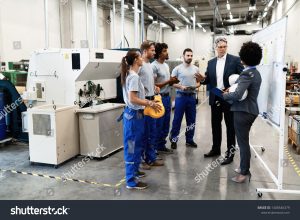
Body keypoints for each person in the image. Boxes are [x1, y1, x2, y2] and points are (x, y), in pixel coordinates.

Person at [197, 37, 244, 165]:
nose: (222, 49)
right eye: (220, 47)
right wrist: (202, 79)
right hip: (215, 96)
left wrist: (232, 89)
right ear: (215, 48)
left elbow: (242, 77)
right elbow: (208, 80)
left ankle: (230, 153)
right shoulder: (211, 62)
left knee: (230, 126)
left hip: (228, 97)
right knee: (215, 124)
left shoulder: (235, 60)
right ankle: (216, 149)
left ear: (226, 47)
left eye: (224, 46)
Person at [121, 49, 161, 190]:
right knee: (132, 148)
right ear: (136, 60)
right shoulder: (133, 77)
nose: (142, 59)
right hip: (133, 117)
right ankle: (131, 181)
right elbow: (133, 98)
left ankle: (135, 171)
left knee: (137, 146)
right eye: (139, 57)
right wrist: (150, 103)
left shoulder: (132, 75)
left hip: (136, 116)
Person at [222, 41, 262, 183]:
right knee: (243, 141)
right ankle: (242, 168)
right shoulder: (254, 72)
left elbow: (237, 95)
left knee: (243, 143)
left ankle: (244, 172)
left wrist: (224, 95)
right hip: (250, 110)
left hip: (243, 111)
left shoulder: (246, 74)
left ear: (243, 58)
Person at [139, 41, 164, 169]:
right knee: (143, 134)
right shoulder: (139, 64)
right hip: (144, 104)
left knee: (152, 132)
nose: (154, 52)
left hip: (152, 101)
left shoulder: (149, 65)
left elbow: (147, 81)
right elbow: (134, 83)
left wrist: (153, 87)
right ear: (145, 51)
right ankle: (142, 160)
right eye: (152, 50)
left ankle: (151, 157)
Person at [169, 48, 200, 149]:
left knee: (191, 120)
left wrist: (196, 86)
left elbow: (199, 82)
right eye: (188, 55)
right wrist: (181, 87)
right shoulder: (177, 69)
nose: (190, 57)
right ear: (183, 56)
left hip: (191, 97)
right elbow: (172, 82)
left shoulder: (196, 69)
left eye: (191, 55)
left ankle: (189, 140)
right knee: (177, 119)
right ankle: (174, 139)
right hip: (181, 96)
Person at [152, 43, 179, 153]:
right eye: (164, 51)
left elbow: (166, 83)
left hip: (167, 97)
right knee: (158, 123)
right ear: (158, 53)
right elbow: (153, 85)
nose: (167, 52)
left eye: (166, 50)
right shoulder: (154, 66)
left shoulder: (166, 65)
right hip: (159, 98)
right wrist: (168, 81)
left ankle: (161, 145)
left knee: (166, 123)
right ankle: (154, 147)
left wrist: (172, 82)